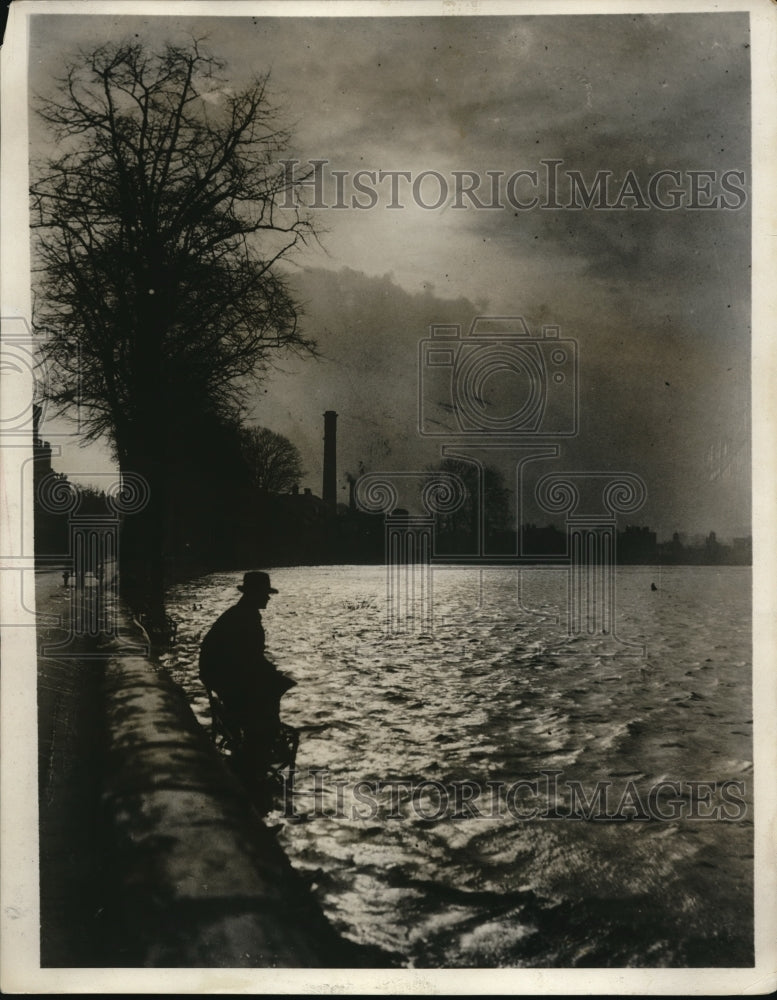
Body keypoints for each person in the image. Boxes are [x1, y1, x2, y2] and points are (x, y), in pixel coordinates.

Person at [198, 571, 295, 781]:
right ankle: (260, 750)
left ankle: (261, 744)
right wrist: (275, 677)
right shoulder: (246, 619)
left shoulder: (238, 614)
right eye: (264, 593)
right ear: (254, 594)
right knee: (272, 692)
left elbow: (249, 659)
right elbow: (250, 660)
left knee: (272, 685)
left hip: (220, 678)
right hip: (229, 682)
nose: (268, 598)